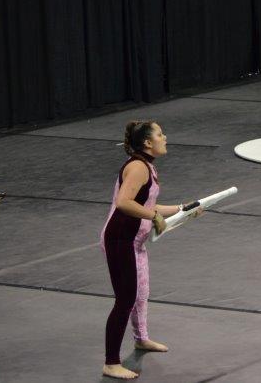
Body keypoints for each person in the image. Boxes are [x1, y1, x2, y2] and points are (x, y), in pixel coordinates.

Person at [100, 121, 187, 380]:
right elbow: (123, 202)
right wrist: (153, 216)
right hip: (120, 240)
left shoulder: (147, 165)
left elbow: (149, 205)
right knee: (125, 299)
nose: (165, 137)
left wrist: (184, 209)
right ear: (148, 143)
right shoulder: (138, 167)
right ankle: (111, 363)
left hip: (135, 241)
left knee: (141, 294)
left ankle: (141, 339)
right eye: (160, 134)